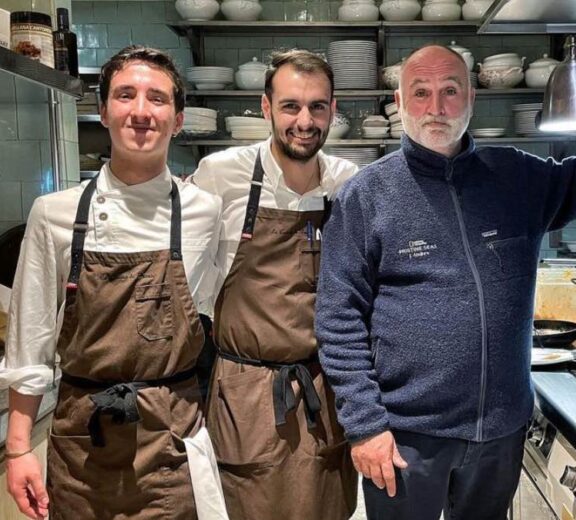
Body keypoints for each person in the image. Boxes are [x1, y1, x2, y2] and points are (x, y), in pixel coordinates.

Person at [315, 45, 576, 520]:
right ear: (399, 101)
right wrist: (365, 426)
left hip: (500, 430)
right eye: (421, 93)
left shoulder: (515, 177)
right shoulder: (365, 197)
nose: (436, 107)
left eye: (450, 91)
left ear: (471, 97)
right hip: (407, 435)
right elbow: (338, 319)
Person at [0, 45, 225, 520]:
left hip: (172, 438)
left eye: (157, 98)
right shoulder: (54, 214)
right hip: (83, 441)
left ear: (178, 120)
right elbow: (29, 341)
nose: (141, 111)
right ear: (103, 111)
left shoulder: (205, 213)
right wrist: (18, 448)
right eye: (125, 95)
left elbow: (209, 314)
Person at [190, 49, 359, 520]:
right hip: (245, 398)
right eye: (290, 106)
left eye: (317, 107)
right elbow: (183, 278)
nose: (304, 121)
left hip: (325, 397)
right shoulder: (220, 176)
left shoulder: (349, 184)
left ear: (333, 110)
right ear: (266, 107)